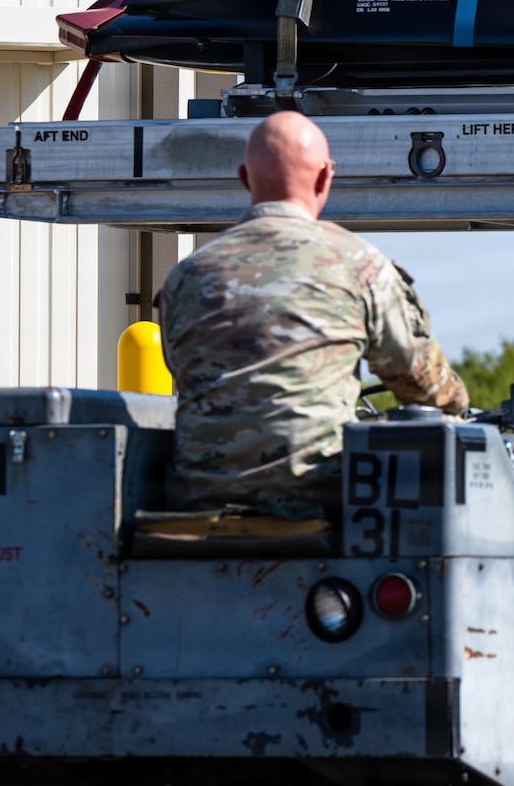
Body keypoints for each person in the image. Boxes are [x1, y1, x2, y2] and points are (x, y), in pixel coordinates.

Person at [159, 111, 470, 518]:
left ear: (245, 179)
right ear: (325, 178)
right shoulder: (358, 264)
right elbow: (421, 382)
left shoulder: (185, 276)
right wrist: (461, 404)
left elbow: (180, 370)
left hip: (194, 512)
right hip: (317, 507)